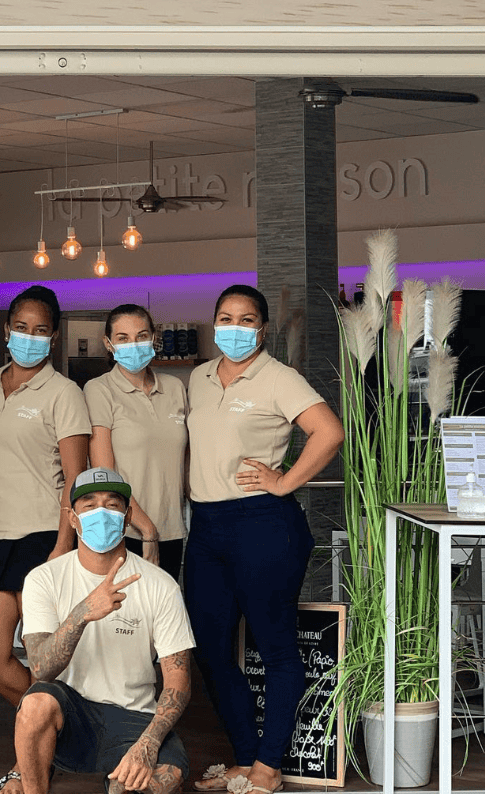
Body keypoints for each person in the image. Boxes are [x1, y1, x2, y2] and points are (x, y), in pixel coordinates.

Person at [185, 284, 344, 794]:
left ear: (263, 327)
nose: (235, 328)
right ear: (213, 322)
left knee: (275, 648)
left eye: (246, 319)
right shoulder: (199, 377)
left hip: (263, 525)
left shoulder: (279, 377)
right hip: (206, 527)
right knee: (210, 648)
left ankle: (268, 768)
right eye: (226, 317)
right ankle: (245, 757)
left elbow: (329, 432)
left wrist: (284, 481)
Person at [0, 284, 91, 794]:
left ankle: (29, 769)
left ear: (53, 337)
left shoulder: (63, 393)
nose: (29, 338)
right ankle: (60, 727)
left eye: (40, 330)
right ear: (6, 329)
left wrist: (61, 548)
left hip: (42, 537)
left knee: (42, 660)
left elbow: (75, 481)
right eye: (21, 328)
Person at [16, 467, 194, 794]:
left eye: (112, 505)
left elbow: (178, 683)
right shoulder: (43, 579)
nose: (102, 513)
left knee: (166, 780)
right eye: (89, 505)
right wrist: (83, 613)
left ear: (127, 518)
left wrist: (148, 745)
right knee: (35, 705)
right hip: (73, 716)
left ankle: (119, 781)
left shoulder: (160, 585)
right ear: (72, 518)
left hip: (134, 718)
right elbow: (41, 669)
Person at [84, 304, 188, 581]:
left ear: (154, 338)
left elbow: (186, 463)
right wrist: (147, 530)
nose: (134, 344)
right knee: (125, 621)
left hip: (172, 530)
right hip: (125, 531)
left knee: (162, 620)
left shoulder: (176, 388)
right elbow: (105, 473)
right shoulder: (99, 390)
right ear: (108, 343)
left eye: (142, 336)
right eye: (123, 338)